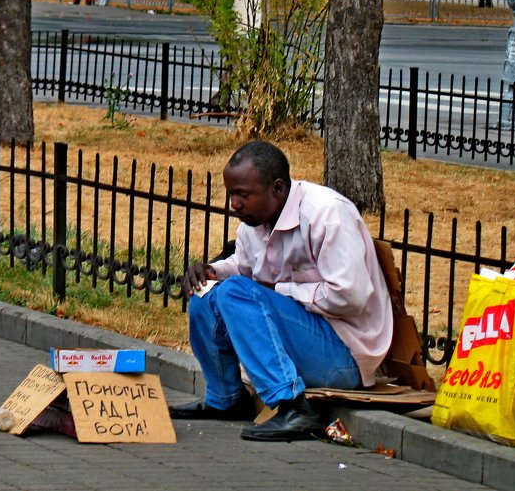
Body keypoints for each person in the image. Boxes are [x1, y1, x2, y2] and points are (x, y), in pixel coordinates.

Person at [168, 141, 392, 442]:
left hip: (345, 353)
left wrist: (278, 290)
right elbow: (245, 267)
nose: (234, 204)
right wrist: (212, 271)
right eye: (232, 194)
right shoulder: (255, 220)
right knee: (206, 295)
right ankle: (226, 398)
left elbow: (350, 296)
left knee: (236, 292)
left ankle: (293, 407)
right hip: (303, 339)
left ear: (277, 188)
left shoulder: (326, 214)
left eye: (243, 195)